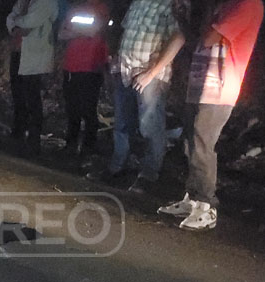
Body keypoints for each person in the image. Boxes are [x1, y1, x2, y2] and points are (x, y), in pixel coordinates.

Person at [158, 0, 263, 230]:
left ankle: (207, 206)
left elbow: (209, 38)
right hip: (201, 82)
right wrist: (184, 17)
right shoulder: (224, 5)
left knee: (203, 144)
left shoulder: (249, 5)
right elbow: (197, 38)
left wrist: (199, 17)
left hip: (220, 87)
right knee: (190, 143)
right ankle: (192, 198)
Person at [88, 0, 185, 194]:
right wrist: (116, 58)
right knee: (123, 123)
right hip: (125, 71)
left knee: (150, 127)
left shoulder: (170, 4)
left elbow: (178, 38)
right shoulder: (138, 3)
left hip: (150, 76)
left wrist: (151, 73)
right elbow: (126, 32)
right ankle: (118, 166)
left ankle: (148, 175)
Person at [58, 0, 109, 167]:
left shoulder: (101, 8)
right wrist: (82, 32)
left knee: (88, 110)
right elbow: (61, 34)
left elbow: (95, 30)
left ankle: (88, 148)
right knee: (72, 109)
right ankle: (70, 145)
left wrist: (74, 31)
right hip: (71, 67)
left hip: (91, 68)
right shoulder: (75, 9)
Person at [6, 0, 59, 154]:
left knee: (32, 97)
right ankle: (18, 133)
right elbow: (11, 17)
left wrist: (16, 23)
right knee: (18, 94)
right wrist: (16, 26)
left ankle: (33, 139)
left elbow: (31, 20)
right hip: (19, 51)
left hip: (35, 55)